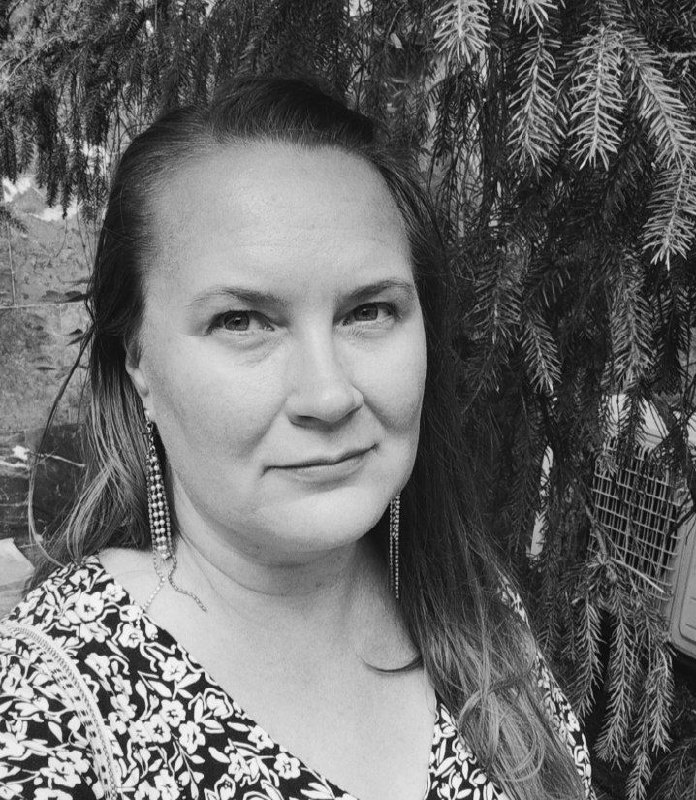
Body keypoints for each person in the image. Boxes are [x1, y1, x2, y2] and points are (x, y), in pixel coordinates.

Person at [0, 77, 593, 800]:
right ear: (139, 365)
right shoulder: (55, 704)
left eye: (369, 311)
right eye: (242, 321)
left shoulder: (472, 607)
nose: (329, 394)